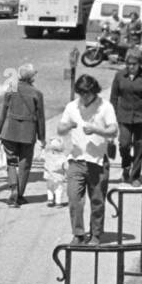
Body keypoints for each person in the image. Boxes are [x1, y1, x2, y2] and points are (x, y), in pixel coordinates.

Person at [58, 74, 119, 246]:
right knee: (74, 199)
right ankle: (78, 234)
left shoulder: (105, 107)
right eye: (81, 93)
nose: (84, 97)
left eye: (87, 93)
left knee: (97, 201)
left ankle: (96, 234)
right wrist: (68, 125)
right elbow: (60, 129)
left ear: (94, 91)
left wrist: (96, 130)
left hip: (97, 161)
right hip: (76, 161)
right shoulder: (72, 107)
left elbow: (113, 130)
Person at [110, 47, 142, 187]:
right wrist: (110, 118)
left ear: (140, 64)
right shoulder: (119, 76)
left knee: (140, 147)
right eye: (128, 64)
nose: (131, 67)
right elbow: (114, 98)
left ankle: (135, 176)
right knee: (124, 144)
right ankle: (126, 165)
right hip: (124, 116)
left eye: (134, 64)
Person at [0, 63, 46, 207]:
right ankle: (19, 195)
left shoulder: (12, 88)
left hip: (9, 130)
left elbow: (3, 110)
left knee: (11, 162)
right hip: (27, 133)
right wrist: (41, 138)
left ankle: (13, 188)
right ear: (31, 78)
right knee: (25, 164)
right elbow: (40, 117)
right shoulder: (37, 93)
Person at [43, 133, 69, 208]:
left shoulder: (47, 155)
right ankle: (58, 202)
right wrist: (67, 174)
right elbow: (66, 166)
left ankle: (50, 200)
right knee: (59, 189)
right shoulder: (63, 157)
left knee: (49, 188)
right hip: (59, 177)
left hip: (49, 176)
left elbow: (41, 158)